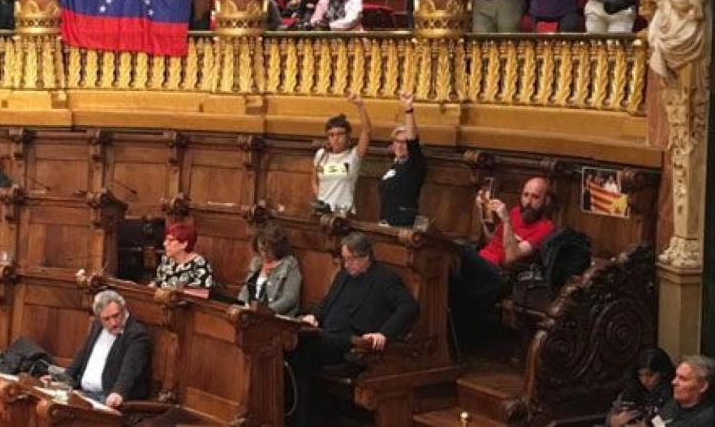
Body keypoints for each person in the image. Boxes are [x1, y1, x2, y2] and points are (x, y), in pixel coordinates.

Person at [288, 232, 418, 425]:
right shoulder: (343, 276)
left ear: (365, 256)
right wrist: (314, 316)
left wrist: (383, 333)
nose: (346, 264)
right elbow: (327, 301)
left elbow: (409, 306)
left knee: (299, 352)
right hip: (325, 335)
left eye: (350, 260)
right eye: (344, 259)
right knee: (291, 346)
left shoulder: (384, 279)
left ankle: (302, 420)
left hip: (351, 346)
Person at [450, 176, 555, 349]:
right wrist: (482, 213)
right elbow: (492, 239)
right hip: (482, 263)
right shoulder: (515, 212)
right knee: (447, 266)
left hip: (502, 275)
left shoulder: (545, 228)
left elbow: (512, 258)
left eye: (535, 197)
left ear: (546, 201)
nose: (528, 201)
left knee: (460, 248)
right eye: (525, 195)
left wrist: (506, 221)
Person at [58, 290, 151, 408]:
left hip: (105, 398)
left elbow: (131, 368)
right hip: (82, 392)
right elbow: (83, 354)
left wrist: (118, 392)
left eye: (116, 316)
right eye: (107, 319)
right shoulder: (97, 326)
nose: (113, 323)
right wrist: (62, 379)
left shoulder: (136, 334)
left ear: (123, 310)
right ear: (99, 318)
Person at [311, 93, 372, 215]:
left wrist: (360, 106)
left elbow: (367, 131)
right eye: (331, 135)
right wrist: (322, 200)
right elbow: (314, 180)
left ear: (348, 136)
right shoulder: (321, 155)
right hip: (323, 213)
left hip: (344, 215)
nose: (335, 138)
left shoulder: (354, 156)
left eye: (340, 134)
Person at [379, 92, 426, 226]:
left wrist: (409, 110)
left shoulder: (416, 164)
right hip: (386, 222)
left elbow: (413, 140)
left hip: (404, 225)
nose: (400, 145)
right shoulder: (395, 165)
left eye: (404, 142)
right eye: (397, 141)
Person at [236, 223, 302, 316]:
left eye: (268, 250)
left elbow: (290, 298)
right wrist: (242, 305)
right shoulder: (257, 261)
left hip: (273, 318)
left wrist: (265, 311)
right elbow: (245, 289)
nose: (264, 254)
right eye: (261, 249)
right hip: (250, 315)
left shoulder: (289, 264)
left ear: (278, 248)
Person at [605, 347, 674, 427]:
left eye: (650, 375)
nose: (644, 380)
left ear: (662, 373)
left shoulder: (673, 393)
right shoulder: (632, 388)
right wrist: (615, 421)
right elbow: (610, 418)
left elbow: (672, 422)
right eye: (640, 375)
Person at [152, 222, 214, 296]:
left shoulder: (199, 264)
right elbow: (157, 282)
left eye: (170, 240)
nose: (164, 243)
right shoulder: (166, 259)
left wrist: (176, 290)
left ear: (184, 244)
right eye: (165, 239)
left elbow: (203, 293)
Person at [655, 356, 714, 426]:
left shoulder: (707, 419)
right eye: (676, 376)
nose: (674, 382)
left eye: (683, 379)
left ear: (702, 386)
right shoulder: (672, 404)